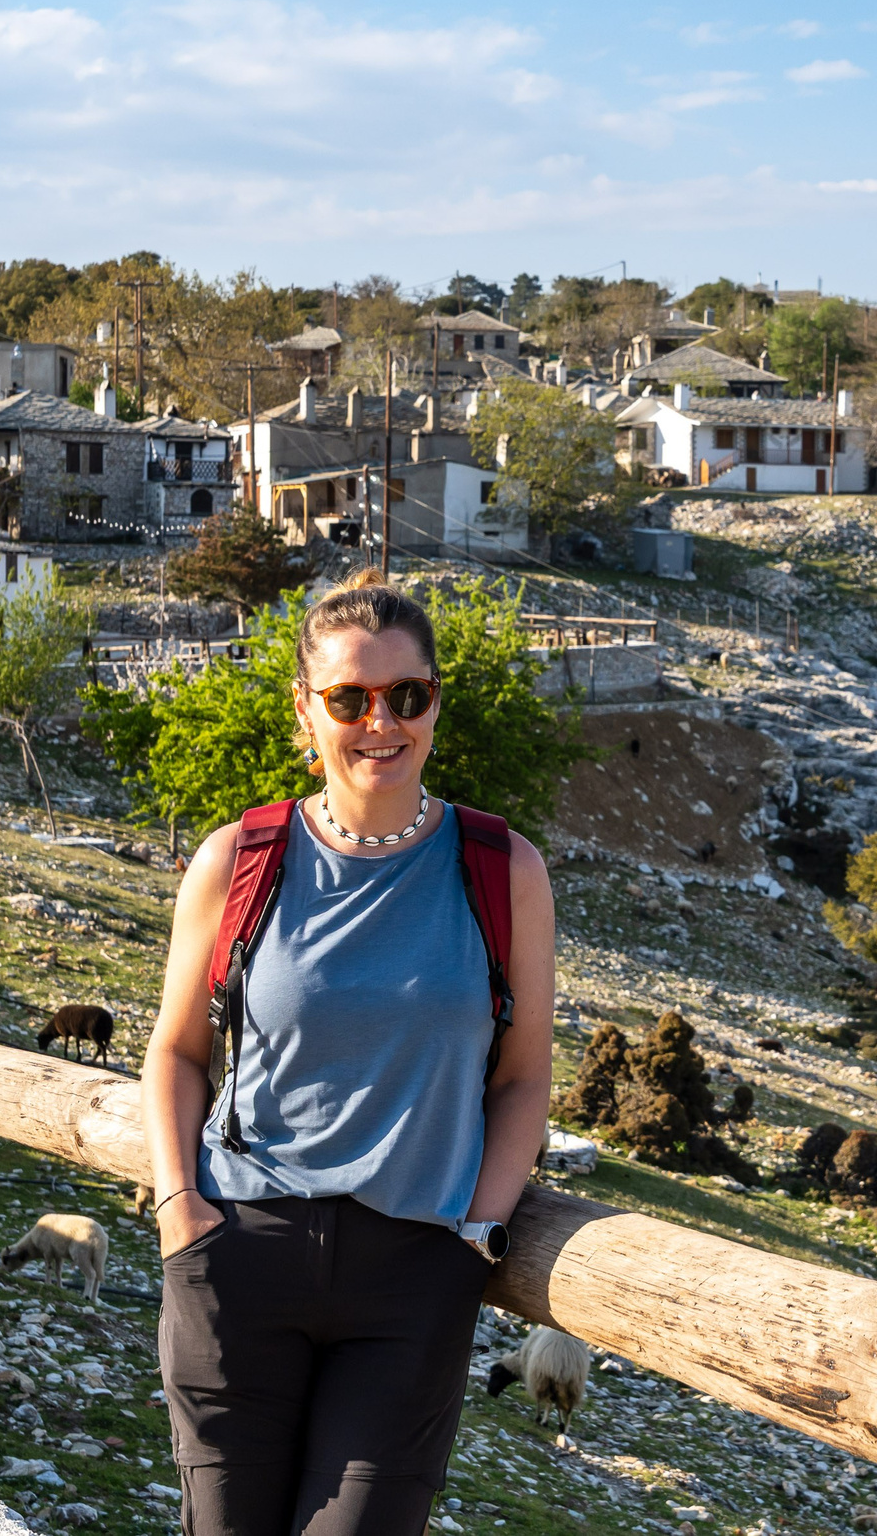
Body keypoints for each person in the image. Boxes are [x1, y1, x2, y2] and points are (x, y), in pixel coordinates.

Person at [143, 567, 556, 1536]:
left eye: (406, 695)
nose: (381, 722)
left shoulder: (504, 869)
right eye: (349, 699)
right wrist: (179, 1213)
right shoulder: (240, 858)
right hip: (239, 1255)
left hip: (415, 1279)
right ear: (305, 708)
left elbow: (524, 1079)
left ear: (436, 702)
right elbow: (177, 1052)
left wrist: (477, 1238)